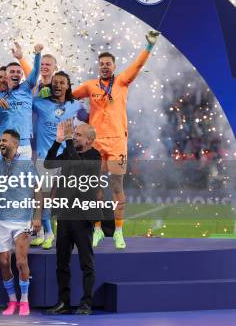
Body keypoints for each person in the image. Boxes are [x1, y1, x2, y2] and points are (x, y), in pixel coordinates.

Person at [73, 30, 160, 249]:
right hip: (95, 143)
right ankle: (98, 229)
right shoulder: (90, 86)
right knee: (94, 187)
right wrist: (76, 110)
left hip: (117, 143)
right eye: (101, 63)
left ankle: (119, 231)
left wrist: (148, 46)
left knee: (116, 185)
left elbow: (138, 67)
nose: (104, 66)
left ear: (114, 65)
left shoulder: (122, 81)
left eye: (108, 63)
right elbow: (68, 96)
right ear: (98, 66)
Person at [45, 120, 102, 315]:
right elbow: (48, 163)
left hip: (82, 216)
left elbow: (77, 168)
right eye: (74, 134)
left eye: (78, 135)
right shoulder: (70, 152)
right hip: (64, 215)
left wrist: (68, 141)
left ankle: (86, 303)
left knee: (86, 262)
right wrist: (58, 141)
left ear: (89, 140)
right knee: (62, 262)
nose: (74, 136)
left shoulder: (94, 156)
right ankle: (64, 302)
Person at [0, 129, 41, 316]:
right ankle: (12, 301)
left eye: (5, 141)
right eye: (0, 140)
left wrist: (37, 216)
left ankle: (24, 301)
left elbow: (37, 189)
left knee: (20, 261)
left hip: (22, 220)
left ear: (16, 144)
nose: (1, 143)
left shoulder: (26, 164)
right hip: (2, 221)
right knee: (3, 262)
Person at [31, 71, 86, 249]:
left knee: (60, 200)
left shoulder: (75, 105)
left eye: (62, 82)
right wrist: (38, 91)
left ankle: (69, 235)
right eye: (55, 82)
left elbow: (88, 117)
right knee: (43, 197)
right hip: (45, 157)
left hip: (65, 158)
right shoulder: (40, 103)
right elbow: (24, 102)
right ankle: (48, 233)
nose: (58, 85)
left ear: (68, 86)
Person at [0, 42, 41, 159]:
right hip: (3, 144)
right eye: (12, 72)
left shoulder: (26, 88)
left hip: (24, 144)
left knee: (21, 177)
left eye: (18, 72)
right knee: (1, 177)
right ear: (6, 75)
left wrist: (37, 54)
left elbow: (36, 72)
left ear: (21, 75)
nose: (15, 74)